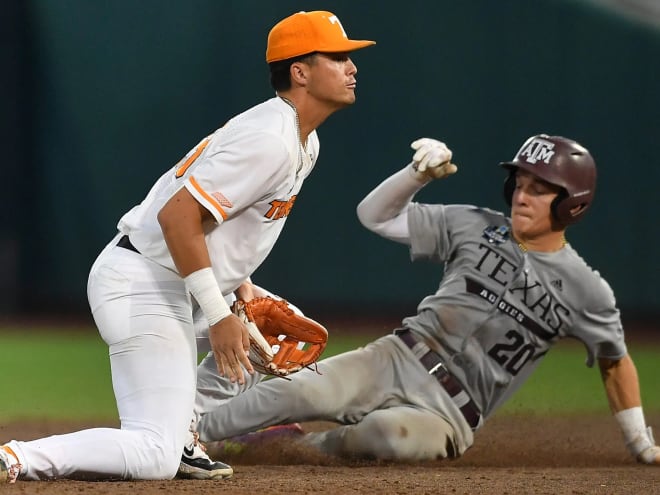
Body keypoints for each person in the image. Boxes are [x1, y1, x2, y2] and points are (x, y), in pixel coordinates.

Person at [0, 10, 375, 483]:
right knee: (151, 456)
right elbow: (176, 217)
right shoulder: (271, 141)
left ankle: (183, 429)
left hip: (174, 283)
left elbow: (228, 229)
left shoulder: (304, 140)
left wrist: (242, 294)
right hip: (143, 283)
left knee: (272, 337)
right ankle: (16, 457)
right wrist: (219, 317)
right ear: (300, 72)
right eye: (338, 56)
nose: (351, 66)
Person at [192, 134, 660, 465]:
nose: (522, 195)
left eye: (540, 189)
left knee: (387, 438)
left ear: (571, 204)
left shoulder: (587, 289)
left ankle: (292, 449)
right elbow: (373, 216)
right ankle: (190, 435)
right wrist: (414, 176)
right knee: (297, 389)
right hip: (396, 357)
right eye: (519, 183)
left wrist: (640, 443)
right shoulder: (476, 224)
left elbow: (615, 362)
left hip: (449, 413)